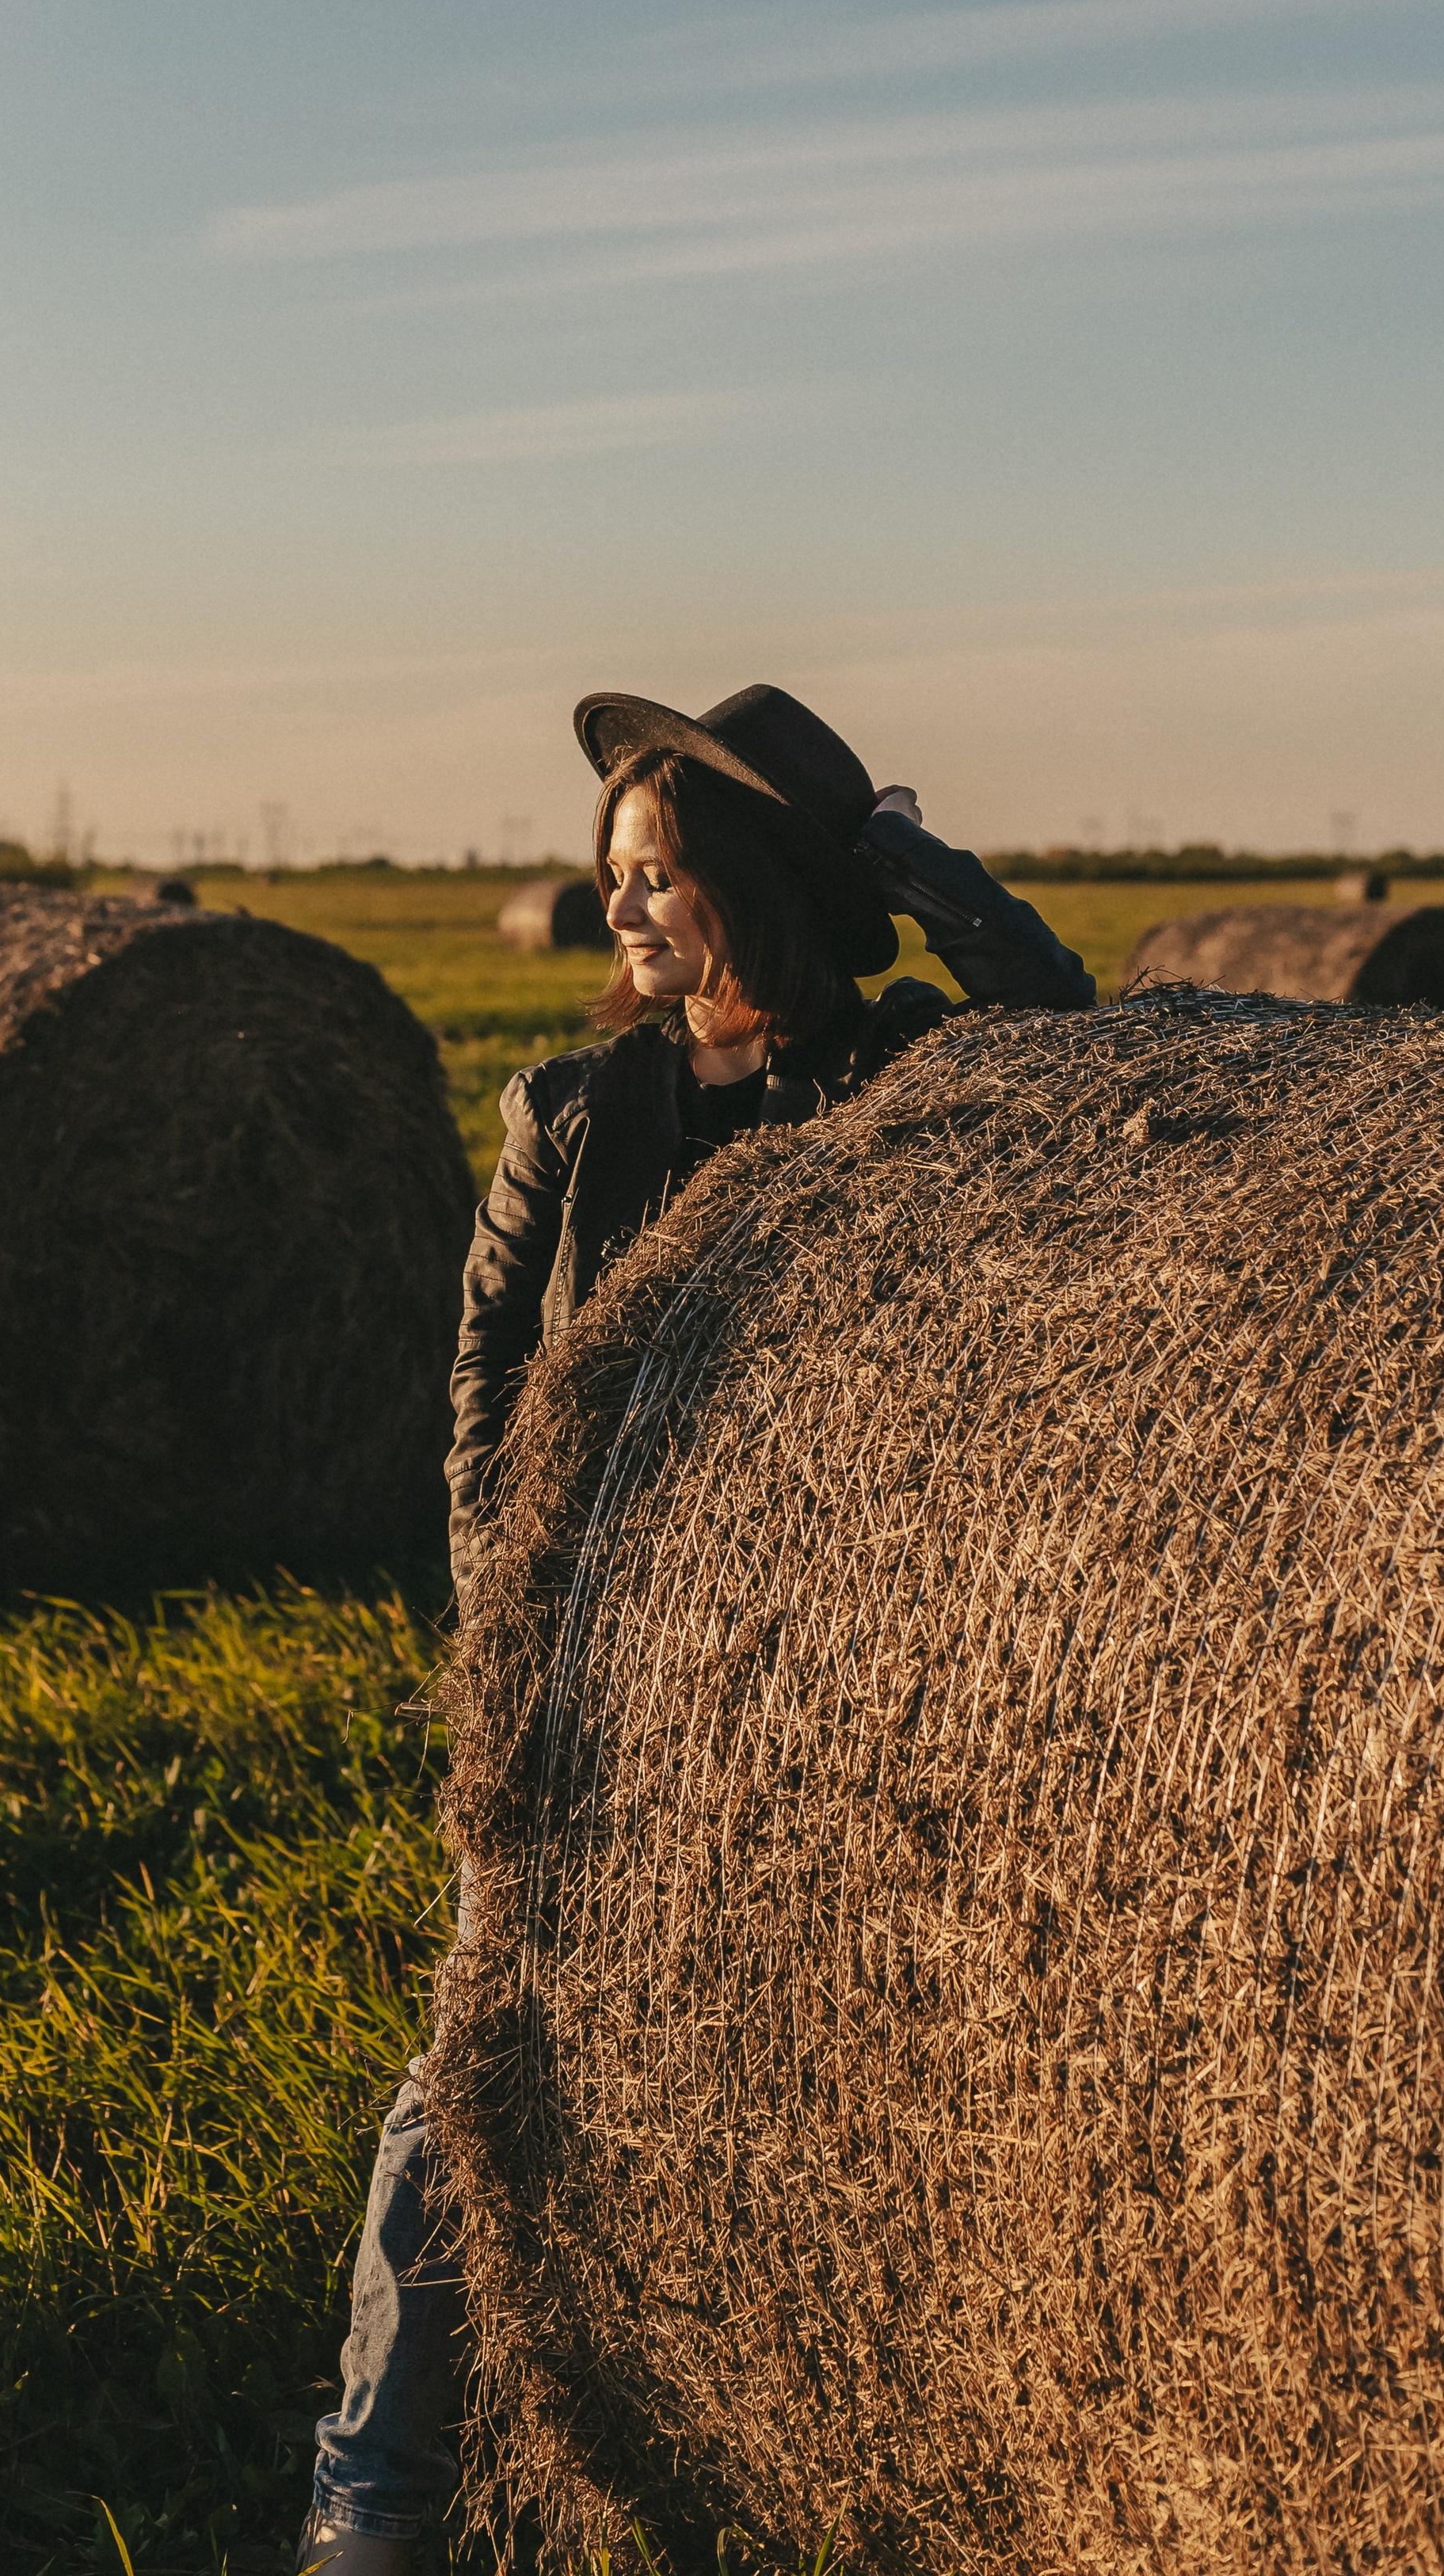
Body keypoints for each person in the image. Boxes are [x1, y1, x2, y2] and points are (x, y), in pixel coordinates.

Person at [299, 685, 1093, 2575]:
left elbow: (1067, 1034)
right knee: (477, 2050)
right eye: (611, 875)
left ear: (751, 878)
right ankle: (374, 2490)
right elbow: (485, 1388)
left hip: (827, 1677)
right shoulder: (573, 1114)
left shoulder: (900, 1086)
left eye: (658, 870)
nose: (621, 906)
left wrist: (897, 860)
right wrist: (512, 1624)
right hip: (580, 1673)